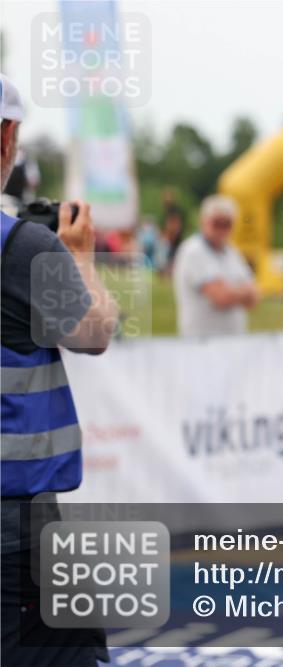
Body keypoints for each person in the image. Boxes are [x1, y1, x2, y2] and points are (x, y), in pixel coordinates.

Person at [1, 73, 118, 667]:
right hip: (16, 524)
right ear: (8, 140)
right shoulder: (21, 247)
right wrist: (80, 256)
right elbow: (96, 333)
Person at [172, 195, 259, 336]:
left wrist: (233, 292)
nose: (222, 229)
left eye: (227, 224)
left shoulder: (231, 252)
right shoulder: (193, 251)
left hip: (232, 341)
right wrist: (242, 291)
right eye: (217, 223)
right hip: (202, 342)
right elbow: (220, 297)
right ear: (203, 221)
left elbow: (254, 298)